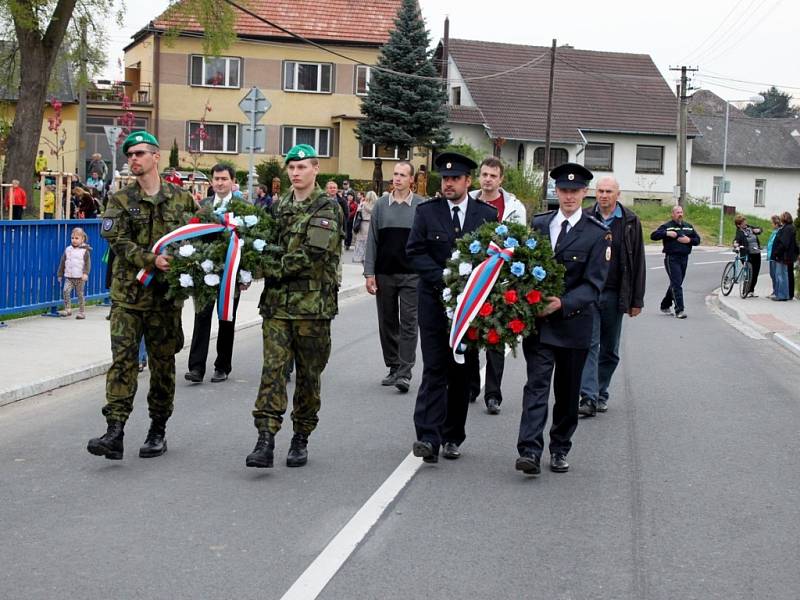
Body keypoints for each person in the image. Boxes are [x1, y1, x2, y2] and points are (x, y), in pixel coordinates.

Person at [86, 130, 196, 461]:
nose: (133, 159)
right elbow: (117, 241)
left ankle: (157, 429)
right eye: (129, 155)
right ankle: (115, 431)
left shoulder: (182, 200)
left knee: (163, 366)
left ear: (155, 157)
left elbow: (197, 239)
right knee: (123, 362)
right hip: (128, 297)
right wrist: (152, 260)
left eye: (139, 154)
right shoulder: (119, 200)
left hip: (164, 300)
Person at [246, 144, 342, 469]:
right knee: (272, 371)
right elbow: (263, 243)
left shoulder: (327, 209)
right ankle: (265, 438)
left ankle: (301, 434)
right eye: (291, 167)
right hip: (276, 307)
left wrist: (266, 267)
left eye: (302, 167)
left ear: (316, 169)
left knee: (308, 375)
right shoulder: (278, 206)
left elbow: (309, 257)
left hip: (312, 309)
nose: (296, 173)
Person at [516, 163, 610, 476]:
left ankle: (559, 448)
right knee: (536, 387)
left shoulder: (597, 234)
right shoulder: (540, 225)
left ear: (585, 193)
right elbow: (526, 266)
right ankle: (529, 449)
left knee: (568, 394)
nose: (569, 196)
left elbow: (594, 284)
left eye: (575, 191)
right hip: (540, 325)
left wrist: (563, 303)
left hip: (573, 323)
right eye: (564, 190)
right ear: (556, 191)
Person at [406, 152, 496, 463]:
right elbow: (415, 252)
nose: (448, 183)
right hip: (434, 303)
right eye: (444, 179)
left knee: (461, 372)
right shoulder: (427, 212)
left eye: (454, 179)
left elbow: (493, 259)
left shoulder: (485, 216)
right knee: (434, 369)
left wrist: (471, 288)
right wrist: (444, 279)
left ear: (467, 182)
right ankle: (428, 437)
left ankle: (452, 435)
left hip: (469, 309)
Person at [578, 176, 645, 417]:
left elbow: (637, 260)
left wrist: (636, 300)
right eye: (600, 191)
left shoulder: (629, 221)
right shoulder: (585, 217)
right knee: (590, 344)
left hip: (616, 293)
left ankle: (601, 391)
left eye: (609, 191)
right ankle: (588, 396)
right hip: (589, 293)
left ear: (618, 195)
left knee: (609, 349)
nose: (604, 195)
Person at [467, 156, 527, 414]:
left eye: (493, 175)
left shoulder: (513, 207)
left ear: (501, 179)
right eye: (484, 174)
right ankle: (470, 384)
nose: (488, 179)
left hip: (500, 279)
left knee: (495, 336)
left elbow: (519, 242)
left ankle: (493, 394)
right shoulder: (468, 200)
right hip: (469, 278)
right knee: (468, 334)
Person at [365, 161, 425, 393]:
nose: (397, 178)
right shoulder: (381, 205)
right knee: (387, 321)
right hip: (385, 273)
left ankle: (405, 372)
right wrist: (369, 273)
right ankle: (393, 365)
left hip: (412, 275)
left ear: (412, 180)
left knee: (409, 323)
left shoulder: (421, 206)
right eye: (395, 175)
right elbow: (373, 240)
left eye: (402, 175)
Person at [185, 164, 247, 384]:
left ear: (232, 181)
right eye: (216, 179)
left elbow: (250, 241)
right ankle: (196, 368)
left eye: (223, 179)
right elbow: (193, 235)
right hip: (205, 271)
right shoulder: (203, 206)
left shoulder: (242, 207)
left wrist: (245, 274)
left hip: (231, 272)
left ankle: (222, 366)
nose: (219, 183)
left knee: (226, 318)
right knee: (201, 318)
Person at [650, 205, 700, 319]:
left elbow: (697, 240)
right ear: (672, 214)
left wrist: (689, 240)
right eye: (677, 212)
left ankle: (665, 305)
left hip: (684, 258)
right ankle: (679, 310)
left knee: (676, 283)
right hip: (672, 258)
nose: (680, 214)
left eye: (681, 212)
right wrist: (666, 234)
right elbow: (653, 235)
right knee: (676, 283)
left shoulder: (688, 227)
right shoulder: (667, 226)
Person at [57, 227, 92, 319]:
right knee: (65, 291)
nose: (74, 240)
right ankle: (68, 309)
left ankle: (81, 312)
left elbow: (87, 263)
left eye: (77, 238)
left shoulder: (85, 251)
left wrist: (85, 273)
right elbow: (62, 262)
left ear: (82, 239)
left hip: (80, 278)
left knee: (80, 294)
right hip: (69, 277)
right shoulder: (68, 249)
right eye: (72, 238)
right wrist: (60, 274)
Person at [733, 214, 763, 298]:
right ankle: (745, 291)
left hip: (756, 252)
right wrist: (735, 244)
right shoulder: (739, 232)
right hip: (747, 254)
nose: (745, 224)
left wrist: (758, 230)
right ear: (739, 225)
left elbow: (760, 229)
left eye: (745, 222)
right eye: (743, 223)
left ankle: (751, 291)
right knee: (749, 273)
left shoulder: (749, 227)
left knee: (755, 273)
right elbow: (736, 240)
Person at [771, 211, 799, 301]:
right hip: (786, 256)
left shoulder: (787, 229)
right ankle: (786, 295)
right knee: (784, 275)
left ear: (784, 219)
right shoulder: (790, 228)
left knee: (781, 275)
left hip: (783, 256)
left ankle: (782, 295)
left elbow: (784, 243)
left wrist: (776, 253)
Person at [352, 190, 376, 263]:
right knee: (370, 245)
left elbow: (357, 215)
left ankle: (362, 261)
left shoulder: (362, 204)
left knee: (361, 244)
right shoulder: (377, 206)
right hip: (372, 225)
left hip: (363, 225)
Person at [766, 215, 782, 298]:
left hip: (774, 256)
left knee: (775, 274)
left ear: (776, 224)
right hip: (771, 256)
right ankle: (774, 291)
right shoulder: (774, 231)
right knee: (772, 274)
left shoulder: (779, 232)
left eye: (772, 223)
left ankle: (776, 292)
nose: (771, 225)